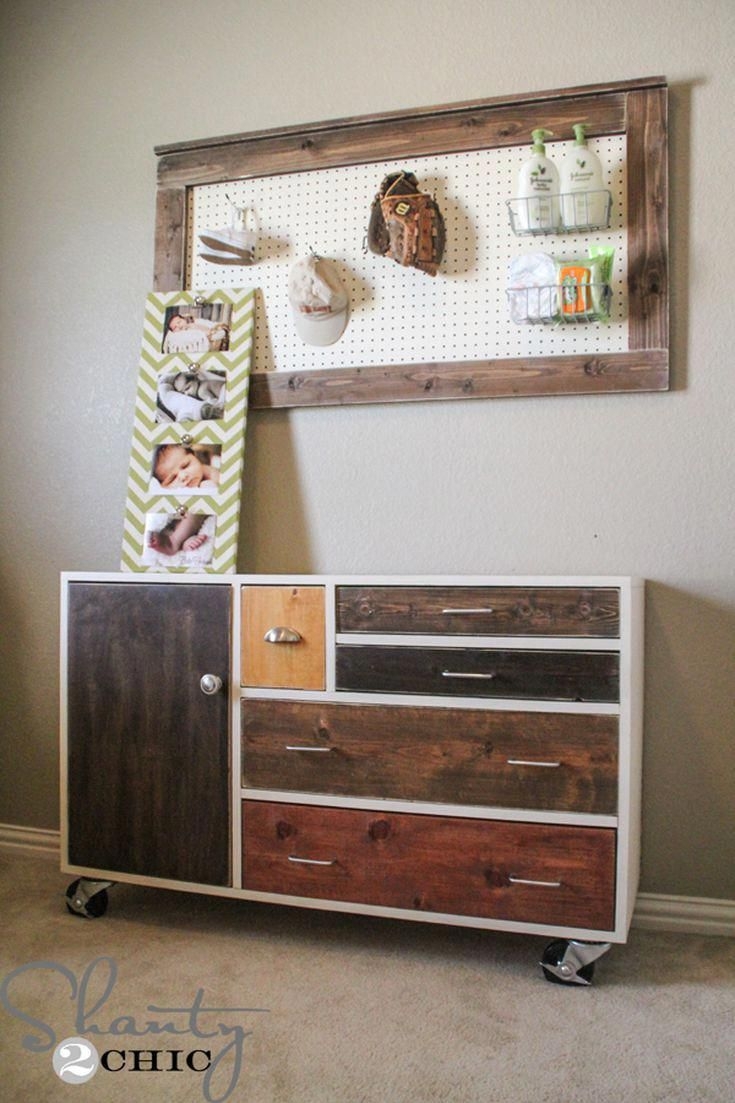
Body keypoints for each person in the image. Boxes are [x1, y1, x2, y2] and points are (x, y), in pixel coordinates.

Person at [152, 444, 220, 491]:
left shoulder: (211, 473)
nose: (183, 476)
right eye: (173, 478)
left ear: (194, 456)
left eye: (186, 465)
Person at [162, 312, 230, 354]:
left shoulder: (191, 325)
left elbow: (203, 327)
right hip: (205, 336)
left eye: (179, 322)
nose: (179, 326)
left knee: (213, 331)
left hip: (209, 332)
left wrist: (208, 331)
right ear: (173, 332)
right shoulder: (180, 336)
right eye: (175, 327)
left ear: (184, 320)